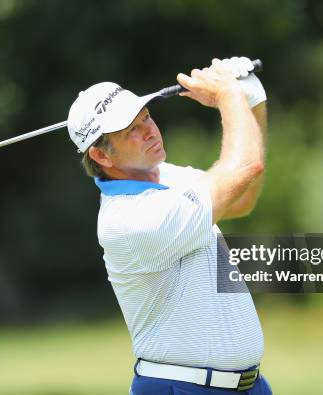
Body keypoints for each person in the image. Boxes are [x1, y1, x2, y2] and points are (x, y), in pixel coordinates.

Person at [67, 57, 271, 394]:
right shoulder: (130, 219)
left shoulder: (168, 176)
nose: (149, 130)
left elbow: (242, 197)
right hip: (182, 387)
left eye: (146, 117)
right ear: (102, 156)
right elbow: (246, 165)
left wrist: (252, 102)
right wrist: (230, 96)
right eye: (131, 129)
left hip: (248, 386)